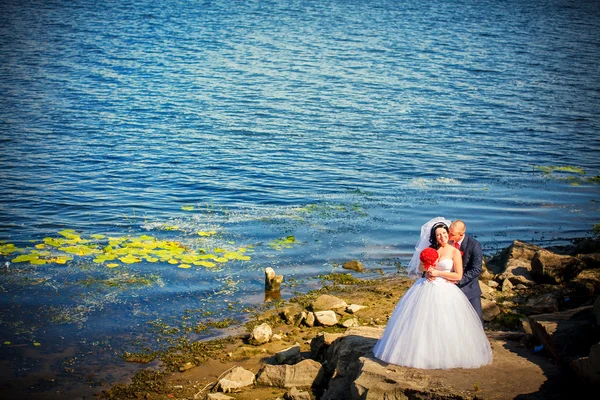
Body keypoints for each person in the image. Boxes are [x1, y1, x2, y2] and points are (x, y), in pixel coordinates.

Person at [372, 217, 492, 369]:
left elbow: (460, 275)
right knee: (423, 321)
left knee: (452, 322)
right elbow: (422, 267)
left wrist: (438, 273)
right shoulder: (431, 250)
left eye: (445, 233)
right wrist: (427, 272)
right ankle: (420, 352)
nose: (442, 236)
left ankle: (457, 352)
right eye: (439, 235)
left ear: (454, 234)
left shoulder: (458, 250)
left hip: (449, 288)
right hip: (427, 287)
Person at [447, 219, 484, 323]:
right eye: (448, 232)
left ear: (461, 234)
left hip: (469, 288)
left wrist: (458, 280)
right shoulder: (446, 243)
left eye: (452, 234)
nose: (449, 236)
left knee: (477, 320)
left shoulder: (474, 245)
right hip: (449, 288)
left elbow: (476, 269)